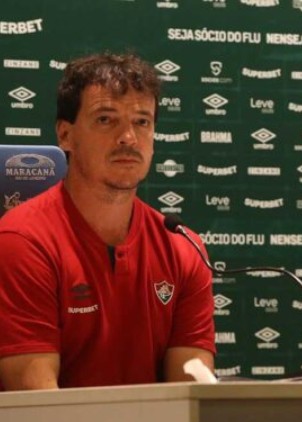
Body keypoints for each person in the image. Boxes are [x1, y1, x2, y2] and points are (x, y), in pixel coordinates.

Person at [0, 52, 215, 390]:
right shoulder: (22, 242)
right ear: (65, 135)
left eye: (142, 122)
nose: (128, 137)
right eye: (105, 119)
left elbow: (192, 396)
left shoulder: (183, 247)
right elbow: (39, 412)